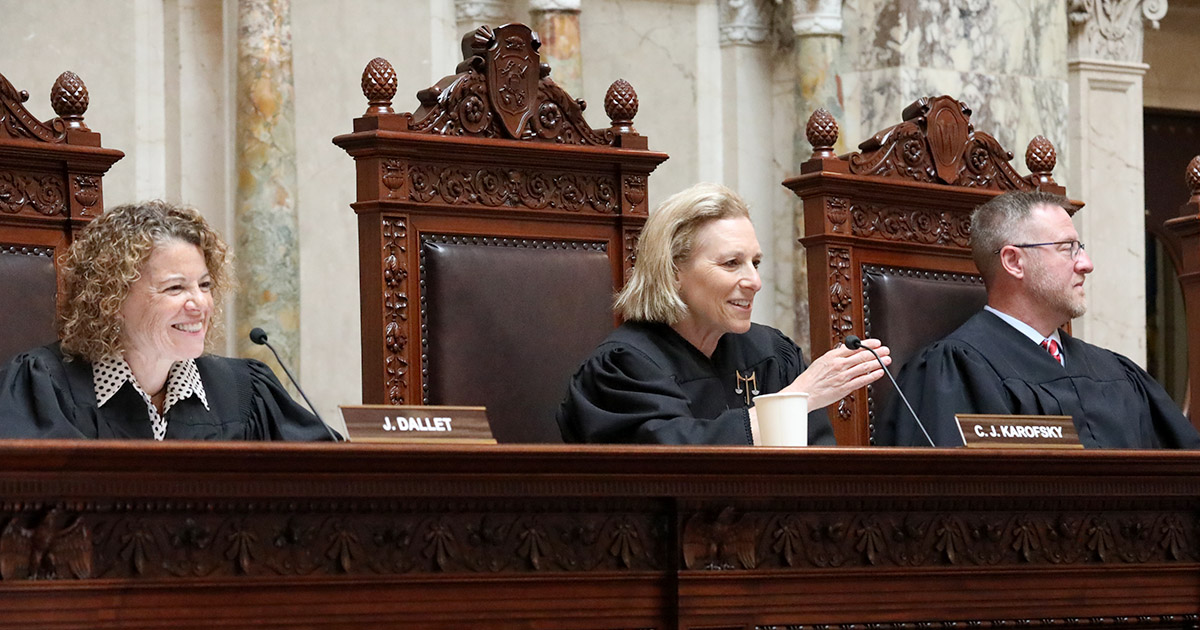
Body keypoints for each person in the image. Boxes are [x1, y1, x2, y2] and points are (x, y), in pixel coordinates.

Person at [557, 183, 891, 445]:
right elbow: (677, 468)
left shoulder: (772, 353)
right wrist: (795, 400)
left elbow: (818, 468)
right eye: (732, 263)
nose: (755, 282)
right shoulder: (623, 368)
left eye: (755, 263)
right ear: (673, 271)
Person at [882, 190, 1200, 448]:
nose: (1086, 264)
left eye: (1081, 248)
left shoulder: (1116, 373)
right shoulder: (952, 372)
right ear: (1014, 261)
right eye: (1068, 248)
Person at [0, 200, 338, 441]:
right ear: (112, 298)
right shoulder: (44, 387)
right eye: (175, 287)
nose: (200, 304)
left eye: (204, 285)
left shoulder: (243, 392)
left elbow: (332, 480)